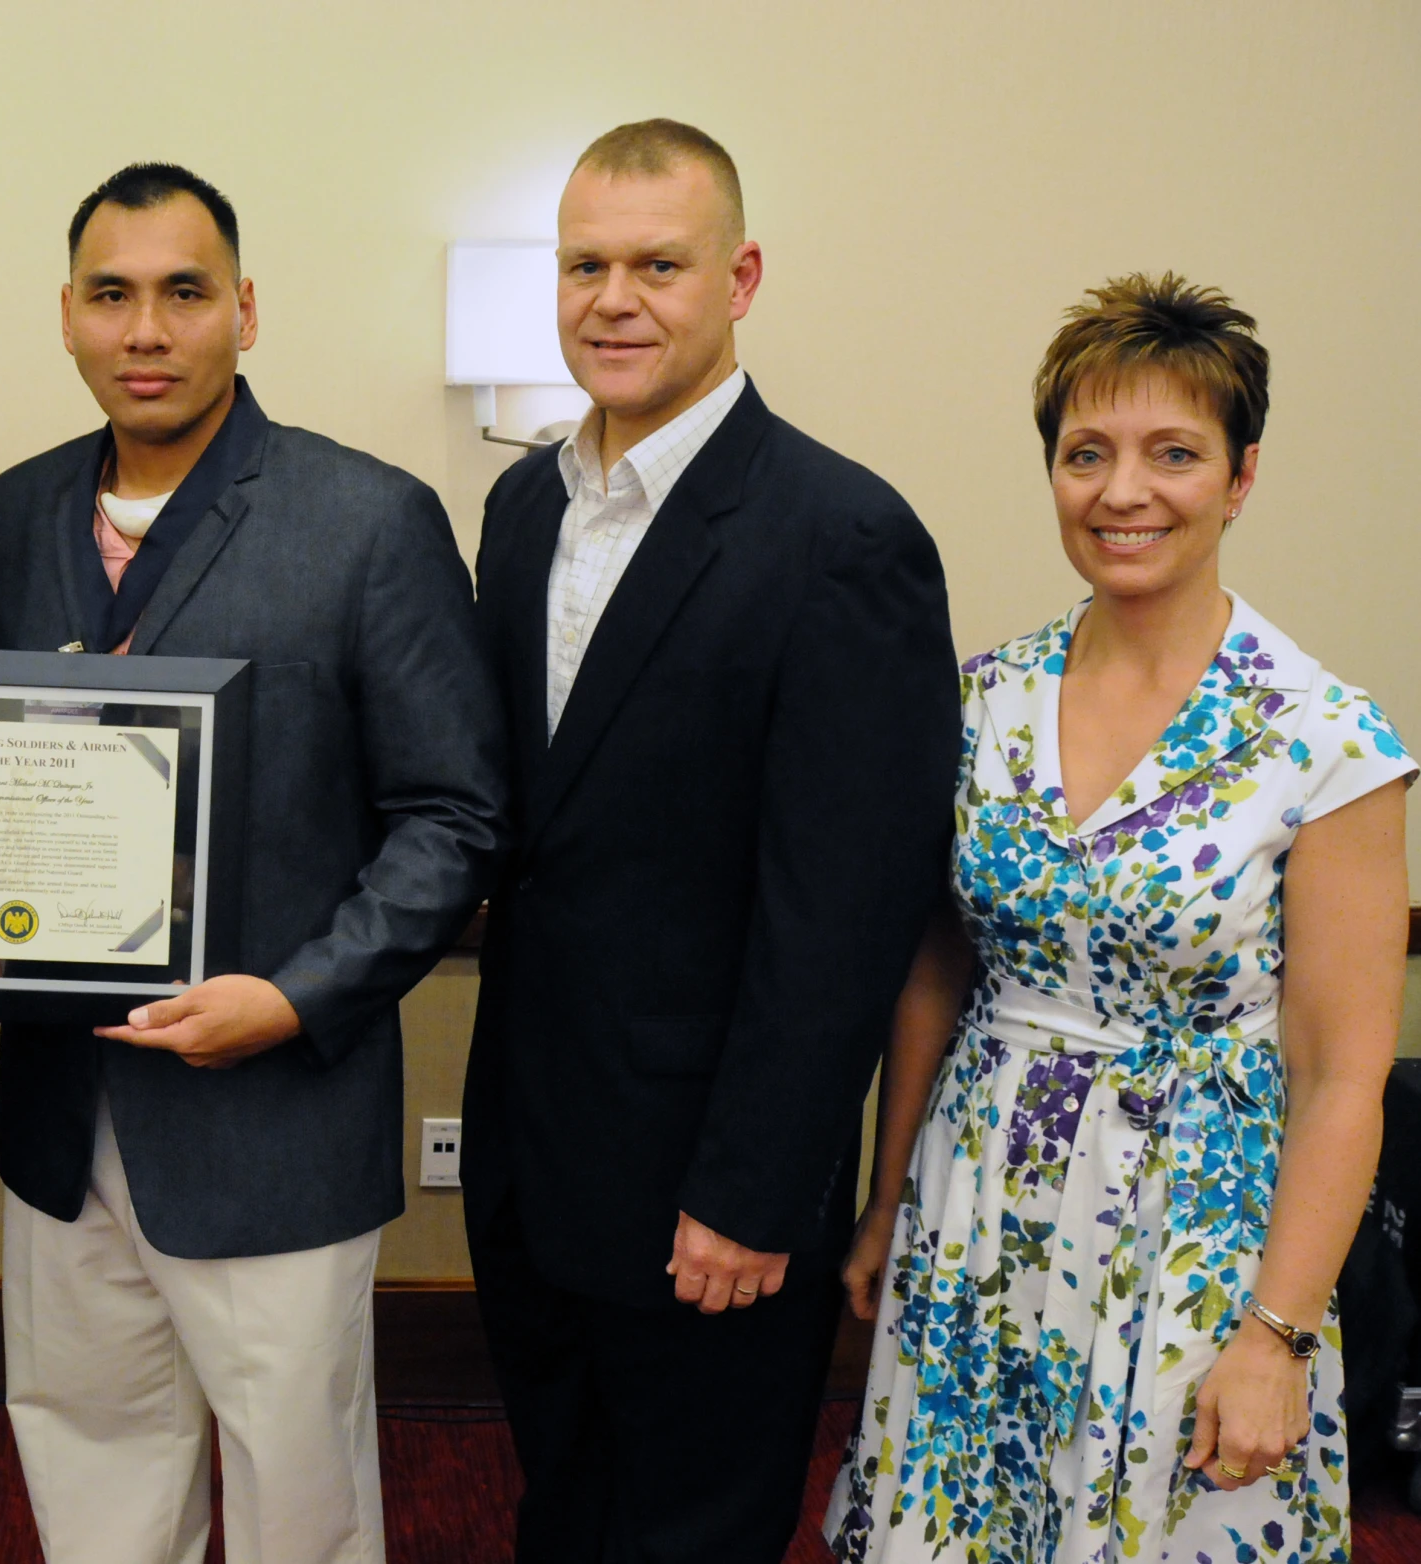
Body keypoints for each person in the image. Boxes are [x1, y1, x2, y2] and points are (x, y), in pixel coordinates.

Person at [0, 162, 508, 1564]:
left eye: (183, 293)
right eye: (112, 295)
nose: (146, 329)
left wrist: (293, 997)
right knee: (88, 1465)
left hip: (272, 1114)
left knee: (297, 1501)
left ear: (244, 313)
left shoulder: (366, 517)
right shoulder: (14, 512)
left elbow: (451, 818)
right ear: (69, 318)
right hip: (64, 1109)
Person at [828, 275, 1413, 1564]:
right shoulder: (984, 696)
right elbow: (936, 972)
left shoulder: (1324, 739)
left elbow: (1341, 1075)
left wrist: (1277, 1339)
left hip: (1201, 1238)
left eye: (1175, 454)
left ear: (1242, 476)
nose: (1123, 491)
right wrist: (886, 1207)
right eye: (1086, 453)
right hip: (979, 1200)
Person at [460, 118, 959, 1562]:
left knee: (690, 1535)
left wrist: (749, 1189)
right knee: (561, 1510)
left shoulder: (840, 536)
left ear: (737, 276)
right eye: (583, 265)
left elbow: (845, 915)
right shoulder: (516, 508)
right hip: (533, 1156)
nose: (612, 299)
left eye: (656, 265)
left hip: (709, 1191)